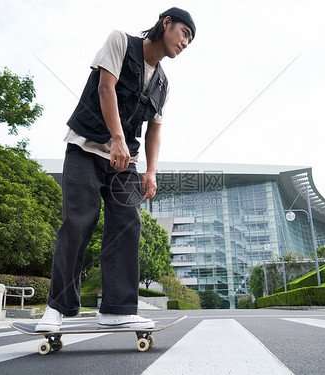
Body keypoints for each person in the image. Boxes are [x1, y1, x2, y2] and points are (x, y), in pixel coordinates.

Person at [35, 7, 196, 331]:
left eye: (190, 40)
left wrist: (150, 171)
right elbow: (105, 88)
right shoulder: (120, 42)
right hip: (86, 148)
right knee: (78, 223)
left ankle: (116, 310)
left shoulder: (163, 83)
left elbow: (154, 130)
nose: (185, 43)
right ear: (166, 24)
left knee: (128, 223)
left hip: (125, 162)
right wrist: (117, 138)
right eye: (184, 34)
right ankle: (56, 309)